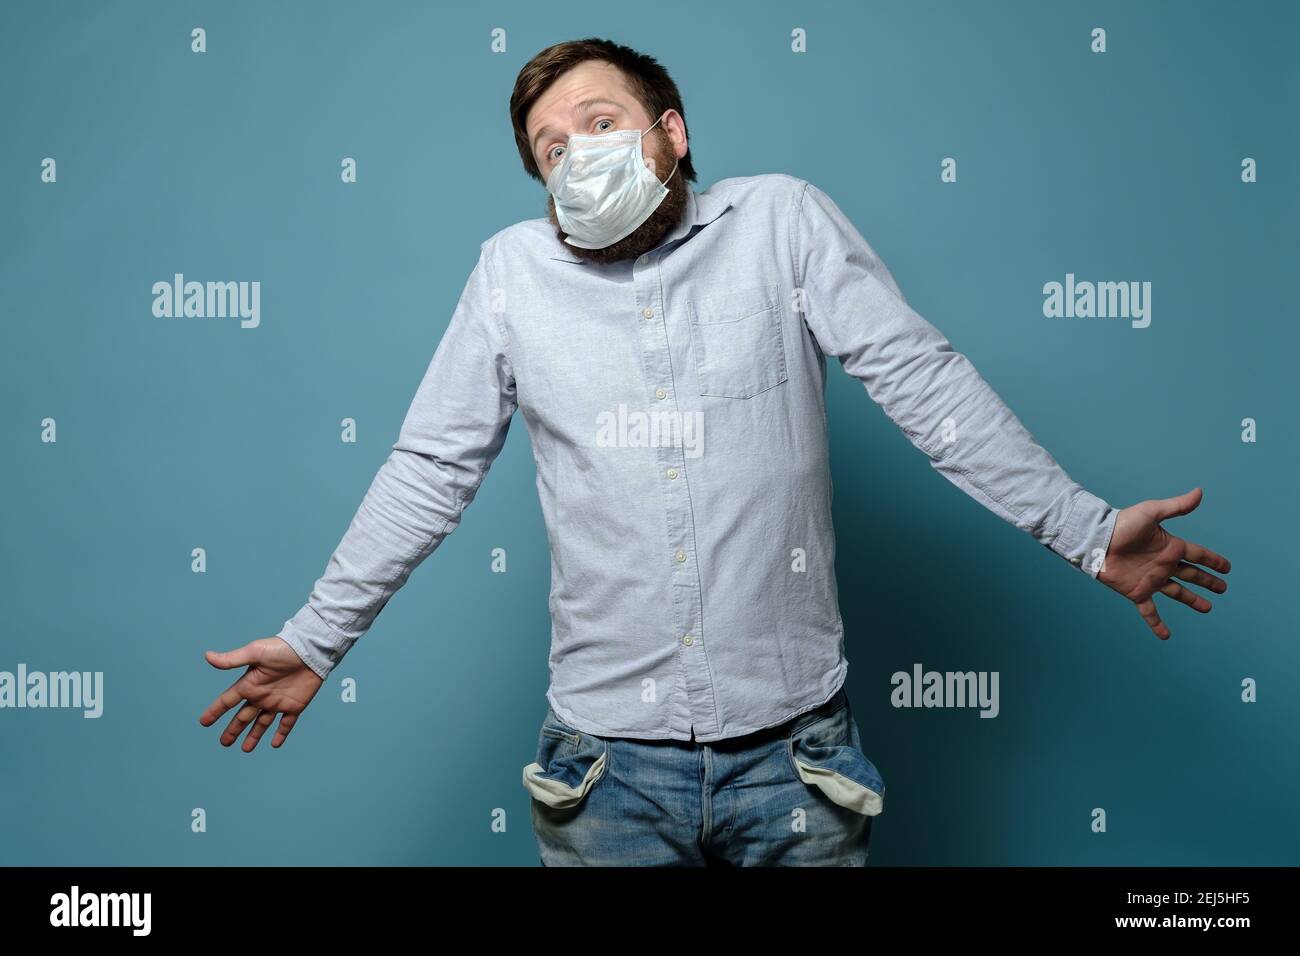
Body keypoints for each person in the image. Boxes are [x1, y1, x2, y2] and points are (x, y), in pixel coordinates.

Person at [199, 37, 1232, 866]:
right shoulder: (509, 274)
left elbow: (922, 382)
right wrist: (319, 636)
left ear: (671, 131)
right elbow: (431, 467)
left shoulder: (779, 221)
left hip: (797, 760)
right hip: (602, 771)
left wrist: (1087, 530)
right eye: (550, 150)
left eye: (597, 123)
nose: (575, 153)